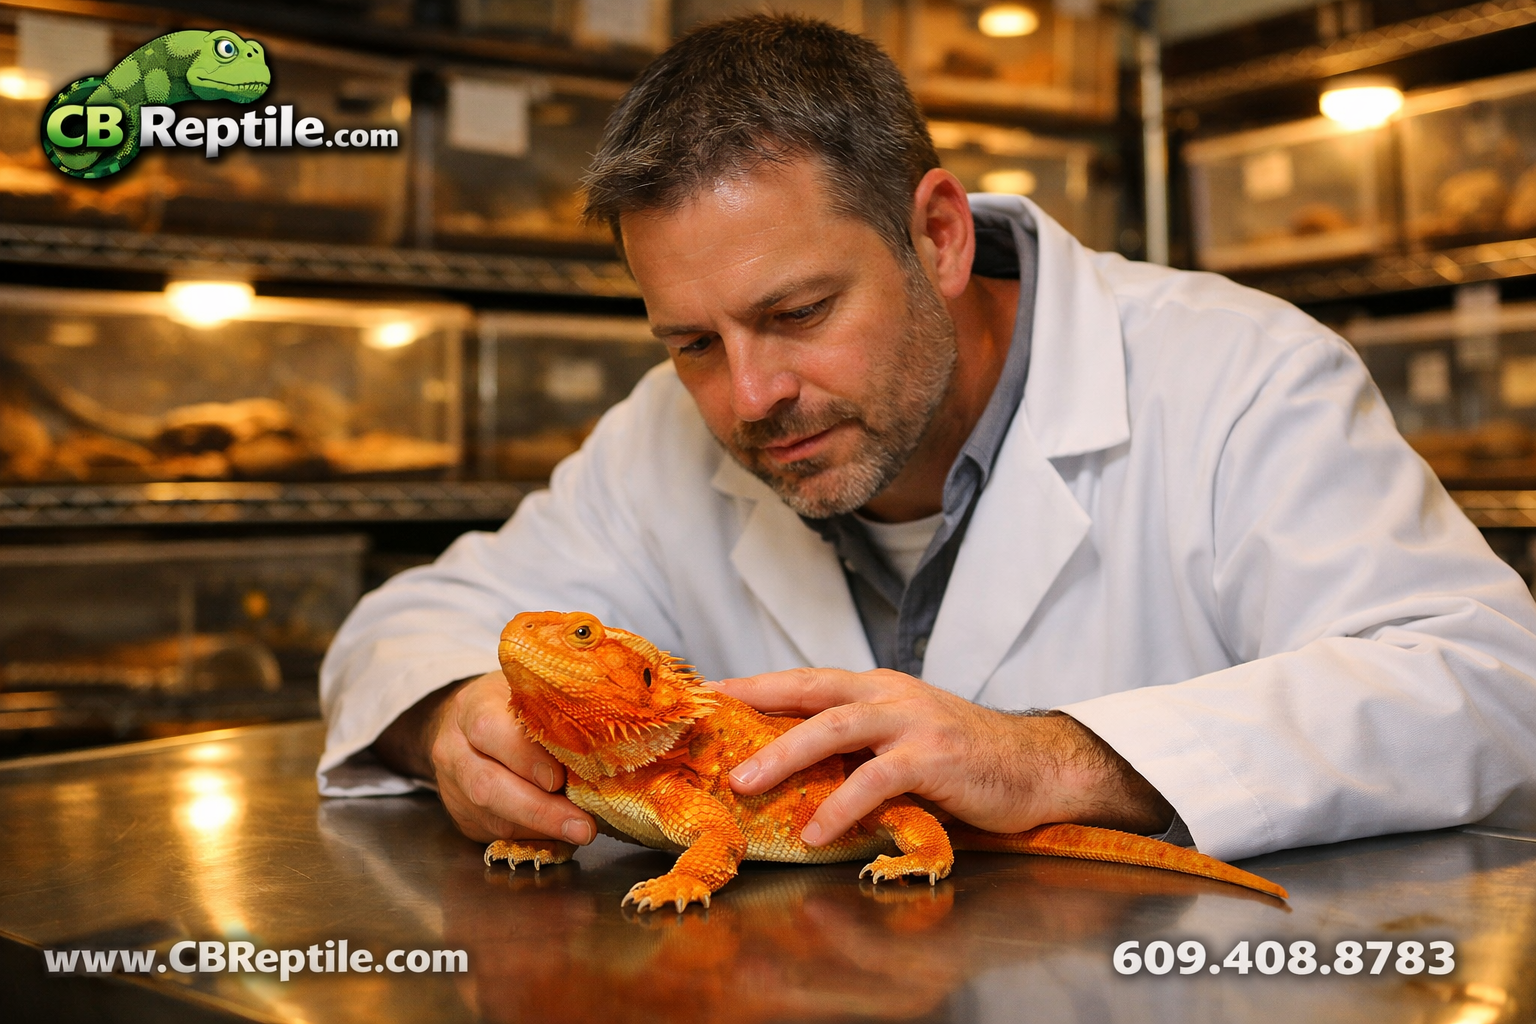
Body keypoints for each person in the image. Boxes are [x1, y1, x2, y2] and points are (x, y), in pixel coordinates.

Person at [318, 15, 1536, 863]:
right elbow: (406, 624)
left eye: (798, 313)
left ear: (940, 236)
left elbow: (1484, 681)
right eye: (691, 341)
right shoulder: (662, 437)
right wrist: (453, 718)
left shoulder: (1233, 375)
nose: (749, 396)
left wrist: (1064, 758)